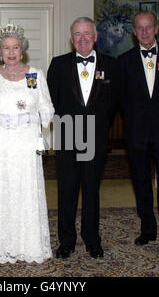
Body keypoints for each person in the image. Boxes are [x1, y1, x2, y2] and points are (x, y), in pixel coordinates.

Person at [0, 24, 54, 264]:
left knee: (25, 192)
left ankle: (28, 246)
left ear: (23, 50)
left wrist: (30, 116)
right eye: (6, 48)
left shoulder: (34, 75)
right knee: (1, 192)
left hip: (26, 144)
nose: (11, 52)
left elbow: (47, 108)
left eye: (15, 47)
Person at [47, 17, 118, 259]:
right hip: (68, 132)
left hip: (96, 136)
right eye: (77, 34)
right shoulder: (58, 65)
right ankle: (66, 241)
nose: (83, 38)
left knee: (91, 191)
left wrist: (99, 127)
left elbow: (115, 104)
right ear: (71, 38)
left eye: (87, 33)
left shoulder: (111, 65)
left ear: (96, 36)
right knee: (66, 191)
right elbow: (51, 103)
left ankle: (92, 240)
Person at [116, 11, 159, 250]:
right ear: (134, 32)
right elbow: (122, 100)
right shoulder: (123, 61)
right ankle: (147, 229)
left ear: (156, 28)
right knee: (141, 181)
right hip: (136, 133)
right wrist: (136, 121)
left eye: (149, 27)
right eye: (140, 28)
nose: (145, 32)